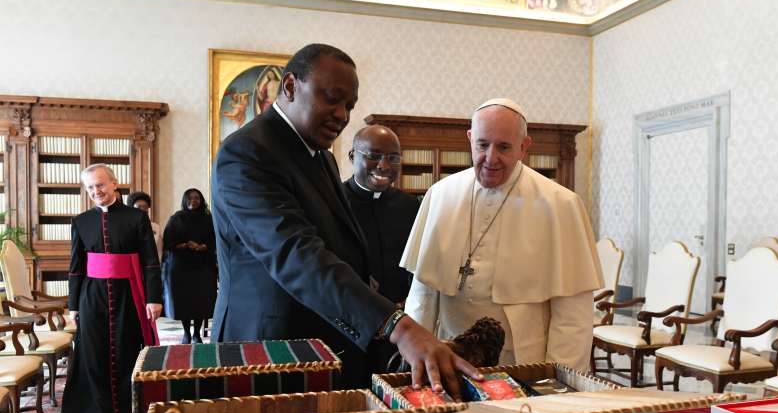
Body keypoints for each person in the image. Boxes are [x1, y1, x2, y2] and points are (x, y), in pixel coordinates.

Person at [212, 43, 478, 393]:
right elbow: (296, 254)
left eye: (349, 105)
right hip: (268, 348)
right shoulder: (247, 153)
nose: (342, 115)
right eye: (332, 98)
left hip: (326, 343)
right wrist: (396, 325)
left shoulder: (319, 155)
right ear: (290, 86)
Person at [401, 98, 603, 372]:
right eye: (482, 145)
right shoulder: (440, 195)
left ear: (523, 147)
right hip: (448, 353)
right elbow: (423, 292)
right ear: (470, 139)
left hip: (522, 361)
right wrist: (414, 358)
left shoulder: (560, 205)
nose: (490, 158)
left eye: (504, 147)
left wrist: (559, 383)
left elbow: (572, 315)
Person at [62, 164, 162, 413]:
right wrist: (73, 305)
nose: (96, 191)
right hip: (92, 297)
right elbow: (75, 268)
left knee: (128, 354)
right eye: (91, 187)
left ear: (115, 183)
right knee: (93, 358)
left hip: (128, 294)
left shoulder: (136, 218)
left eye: (101, 185)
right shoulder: (81, 221)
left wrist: (154, 298)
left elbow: (150, 262)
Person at [342, 125, 420, 305]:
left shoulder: (409, 205)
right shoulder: (334, 202)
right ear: (353, 156)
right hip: (352, 311)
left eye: (393, 158)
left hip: (402, 313)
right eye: (373, 156)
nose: (384, 166)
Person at [161, 188, 217, 344]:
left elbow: (215, 241)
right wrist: (185, 245)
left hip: (203, 266)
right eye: (190, 197)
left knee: (200, 301)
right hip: (181, 267)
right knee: (184, 301)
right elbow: (168, 241)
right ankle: (186, 333)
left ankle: (197, 334)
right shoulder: (176, 218)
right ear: (185, 200)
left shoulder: (208, 219)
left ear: (201, 200)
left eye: (197, 197)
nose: (194, 200)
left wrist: (200, 247)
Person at [127, 191, 163, 259]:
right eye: (139, 207)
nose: (142, 210)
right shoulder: (126, 227)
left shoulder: (156, 227)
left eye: (145, 207)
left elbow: (159, 250)